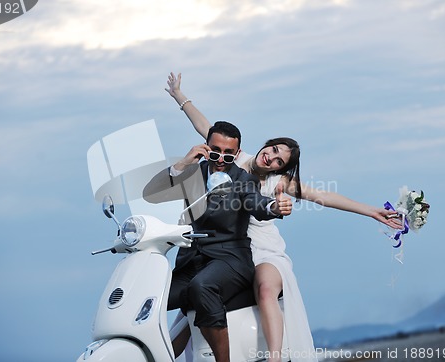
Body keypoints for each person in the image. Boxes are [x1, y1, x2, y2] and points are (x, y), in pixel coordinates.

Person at [165, 72, 402, 362]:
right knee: (191, 304)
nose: (272, 159)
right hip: (223, 250)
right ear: (267, 144)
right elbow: (204, 125)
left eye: (280, 161)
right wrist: (179, 95)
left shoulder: (278, 182)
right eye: (274, 150)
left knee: (265, 287)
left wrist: (371, 211)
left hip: (261, 249)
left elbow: (324, 197)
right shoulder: (233, 158)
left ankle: (275, 357)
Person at [144, 120, 293, 362]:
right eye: (215, 152)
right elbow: (151, 194)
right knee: (150, 296)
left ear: (237, 153)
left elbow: (258, 204)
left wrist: (274, 206)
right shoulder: (191, 174)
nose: (221, 158)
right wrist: (183, 163)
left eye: (228, 154)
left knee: (202, 286)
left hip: (230, 261)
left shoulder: (244, 180)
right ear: (205, 148)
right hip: (190, 263)